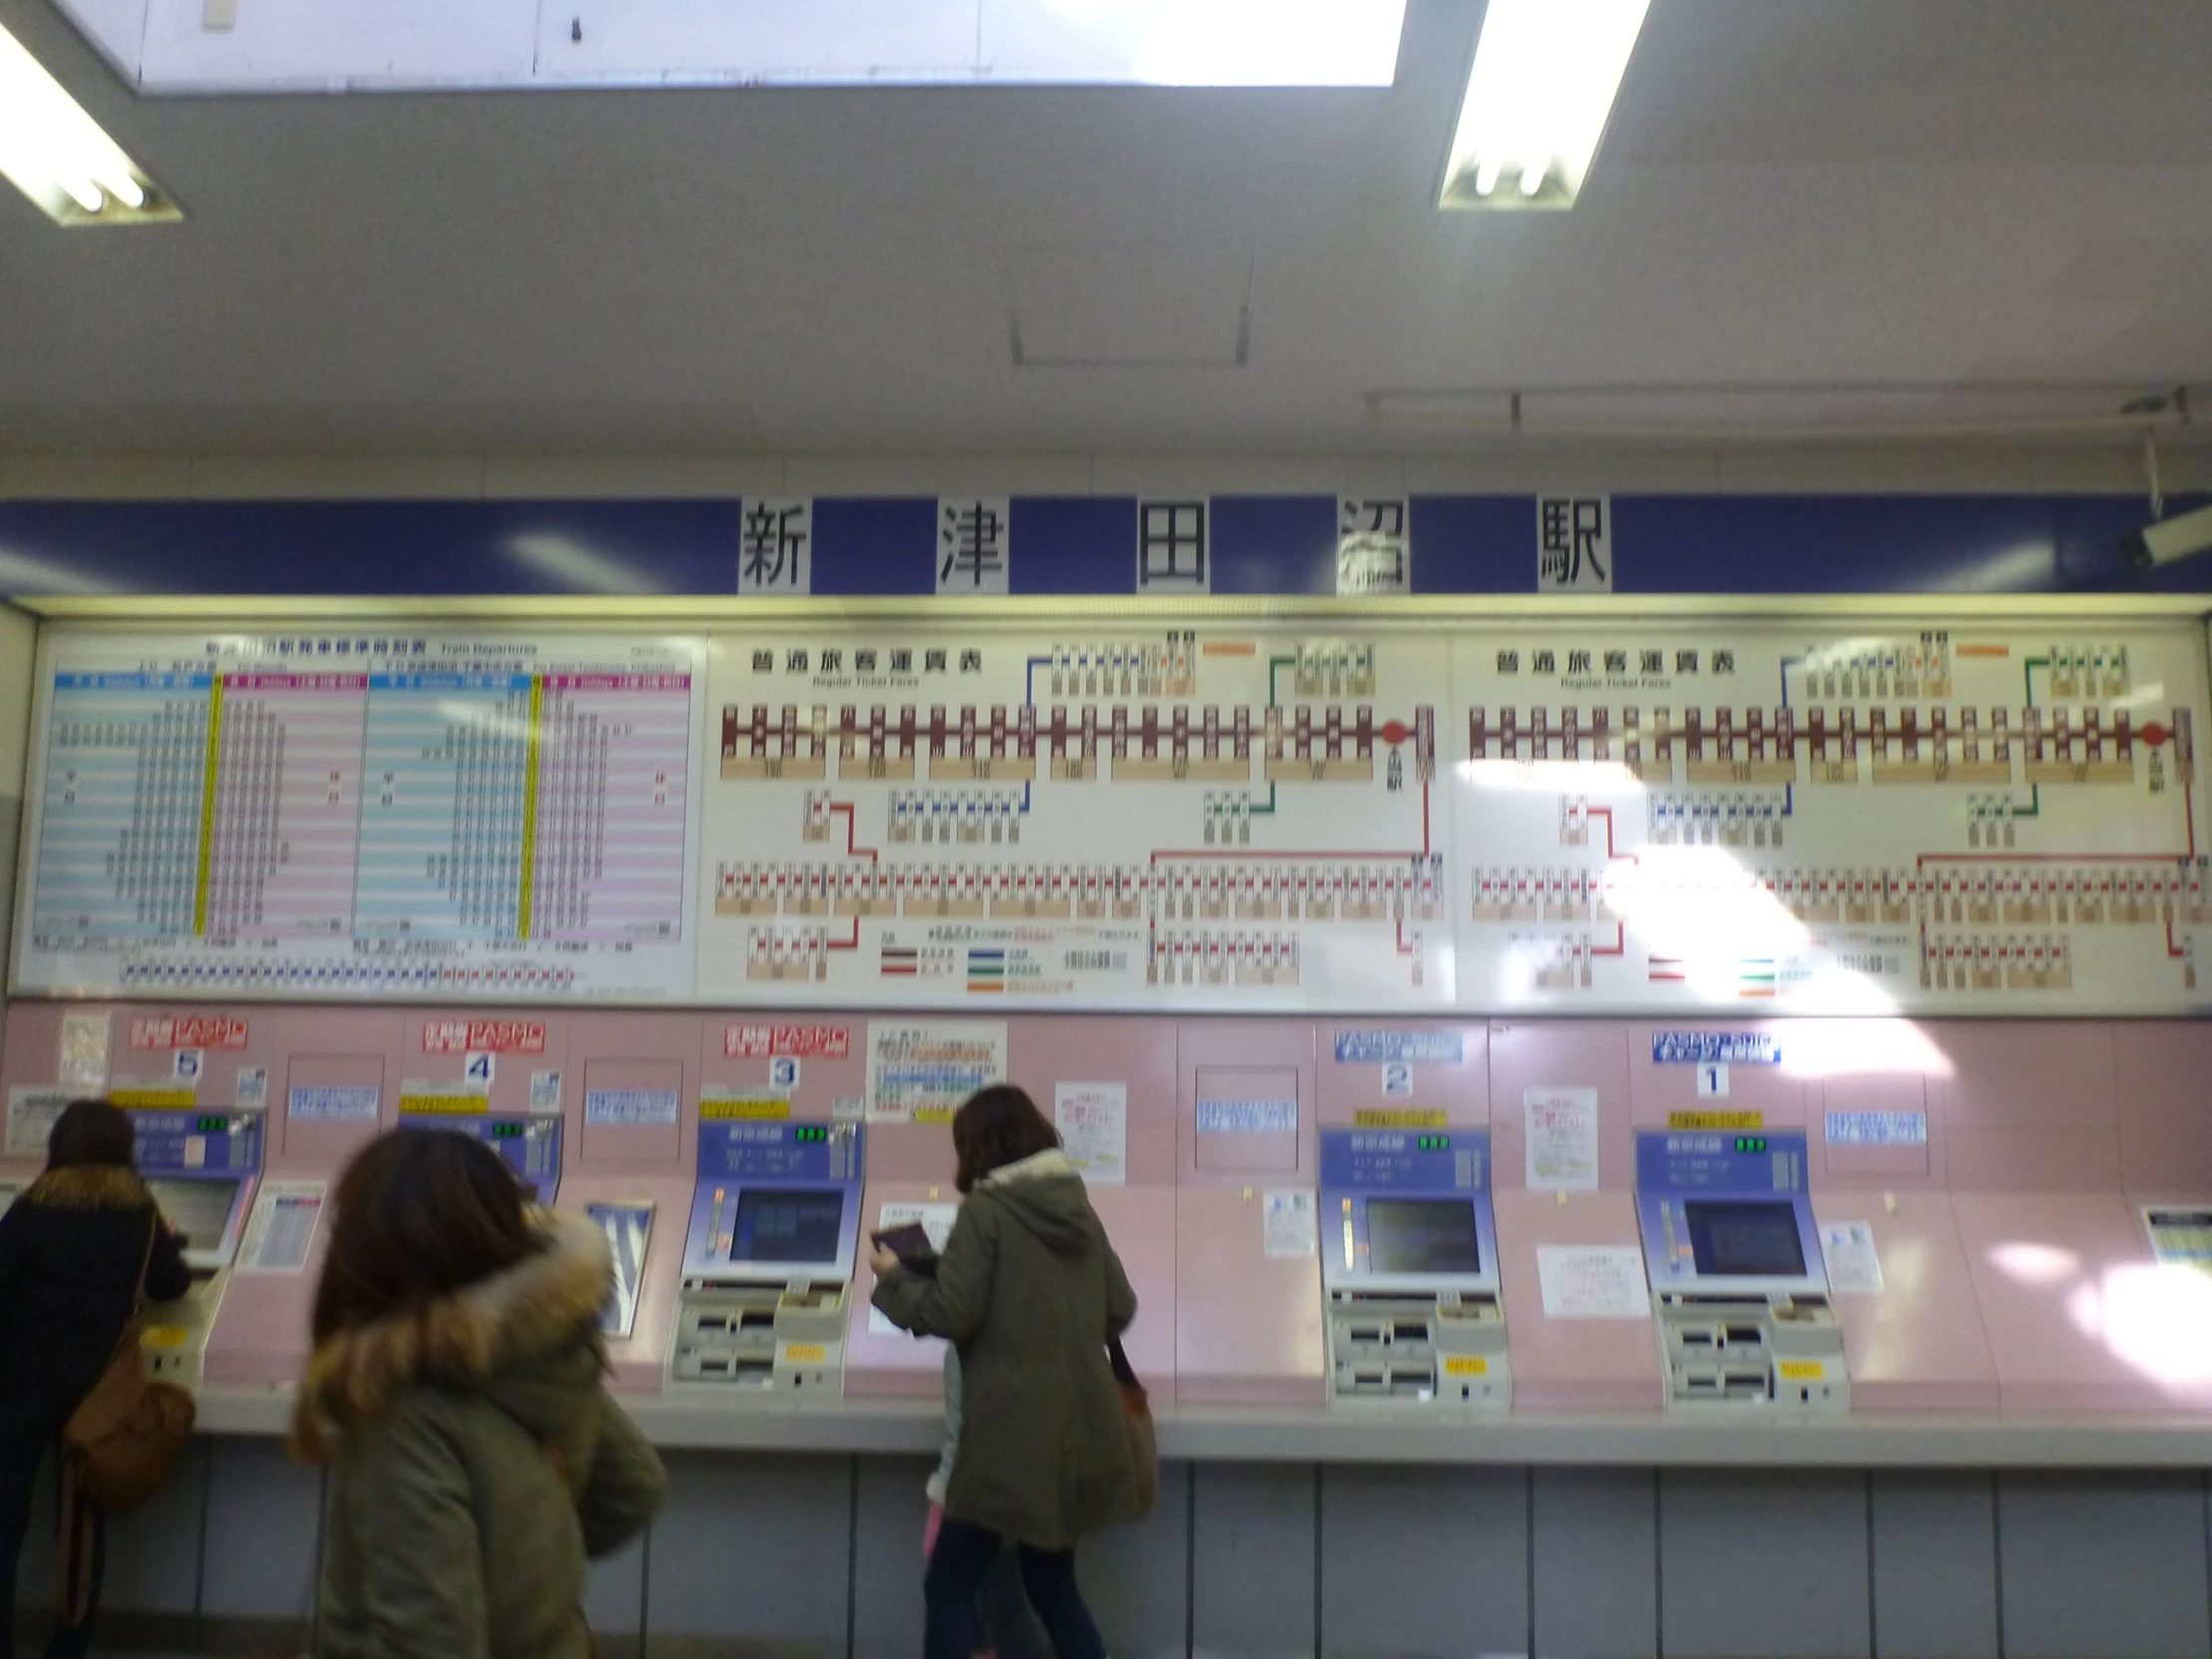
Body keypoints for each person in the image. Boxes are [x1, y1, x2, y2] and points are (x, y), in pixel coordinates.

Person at [291, 1130, 667, 1659]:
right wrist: (535, 1571)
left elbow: (430, 1639)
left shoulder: (402, 1408)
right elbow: (635, 1488)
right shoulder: (542, 1353)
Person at [871, 1084, 1140, 1659]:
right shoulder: (1077, 1209)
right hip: (1077, 1437)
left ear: (978, 1147)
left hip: (1005, 1444)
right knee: (1054, 1587)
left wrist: (894, 1277)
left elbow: (950, 1311)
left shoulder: (986, 1212)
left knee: (949, 1586)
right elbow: (1119, 1306)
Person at [0, 1099, 191, 1659]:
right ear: (123, 1150)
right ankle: (68, 1648)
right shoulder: (139, 1214)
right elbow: (171, 1286)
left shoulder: (30, 1209)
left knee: (5, 1525)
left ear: (58, 1146)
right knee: (82, 1532)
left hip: (17, 1386)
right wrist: (171, 1242)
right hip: (97, 1393)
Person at [926, 1346, 1050, 1659]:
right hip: (1019, 1486)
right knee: (994, 1602)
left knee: (962, 1596)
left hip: (976, 1492)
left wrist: (946, 1489)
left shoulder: (967, 1346)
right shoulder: (1026, 1334)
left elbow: (961, 1430)